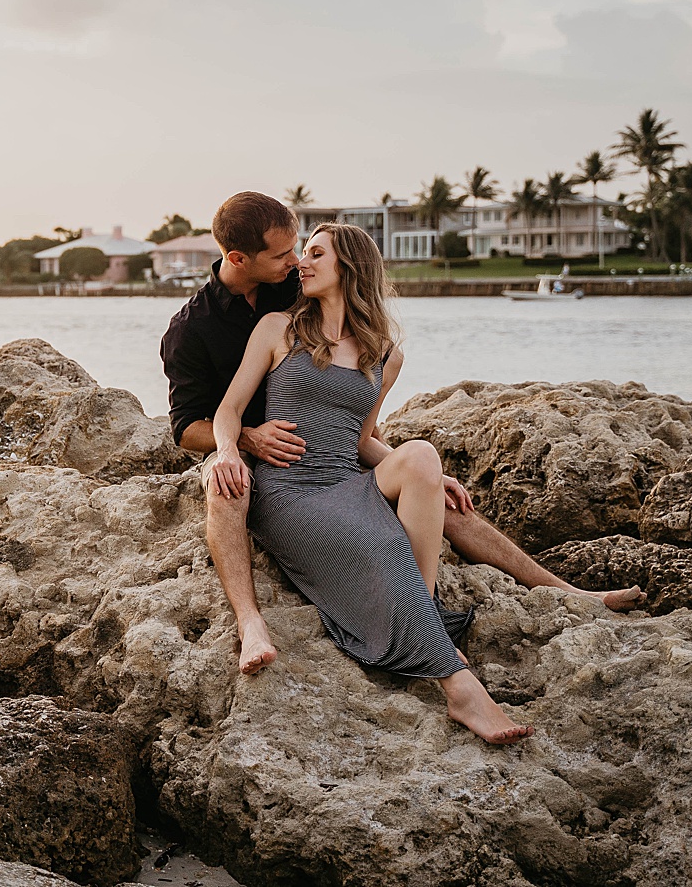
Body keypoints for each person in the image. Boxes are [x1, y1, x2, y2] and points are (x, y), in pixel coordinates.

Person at [160, 191, 642, 677]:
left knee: (442, 496)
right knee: (225, 484)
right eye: (285, 254)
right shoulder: (193, 329)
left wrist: (427, 476)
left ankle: (566, 592)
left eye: (302, 250)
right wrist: (243, 441)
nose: (296, 262)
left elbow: (353, 405)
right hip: (244, 448)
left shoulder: (297, 286)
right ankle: (250, 623)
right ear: (239, 258)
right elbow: (187, 428)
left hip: (327, 450)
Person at [209, 222, 532, 744]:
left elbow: (362, 440)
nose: (302, 263)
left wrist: (430, 476)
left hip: (347, 481)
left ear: (350, 268)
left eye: (316, 254)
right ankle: (460, 688)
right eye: (303, 253)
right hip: (289, 490)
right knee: (379, 543)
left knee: (423, 454)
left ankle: (423, 622)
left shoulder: (385, 354)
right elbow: (227, 412)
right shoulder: (278, 328)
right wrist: (229, 448)